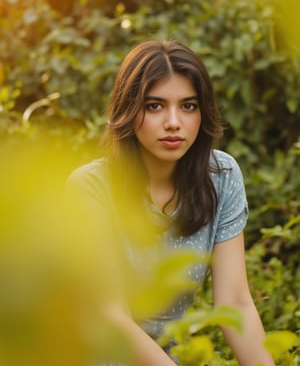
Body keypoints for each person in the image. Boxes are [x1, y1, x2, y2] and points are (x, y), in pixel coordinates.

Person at [66, 40, 275, 366]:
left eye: (188, 106)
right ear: (129, 110)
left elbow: (234, 302)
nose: (174, 122)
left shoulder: (221, 177)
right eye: (155, 106)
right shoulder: (91, 187)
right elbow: (110, 314)